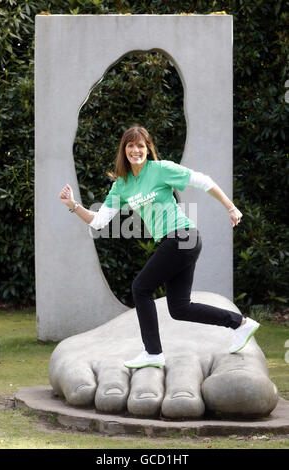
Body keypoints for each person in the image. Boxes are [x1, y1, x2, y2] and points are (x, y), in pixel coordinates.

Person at [59, 125, 260, 368]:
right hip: (174, 242)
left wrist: (230, 206)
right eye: (131, 146)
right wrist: (73, 205)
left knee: (140, 288)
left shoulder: (160, 169)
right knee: (180, 308)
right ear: (124, 150)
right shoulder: (122, 184)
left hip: (183, 237)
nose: (136, 150)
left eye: (140, 146)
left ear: (148, 149)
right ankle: (240, 323)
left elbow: (202, 180)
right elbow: (99, 221)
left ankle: (153, 353)